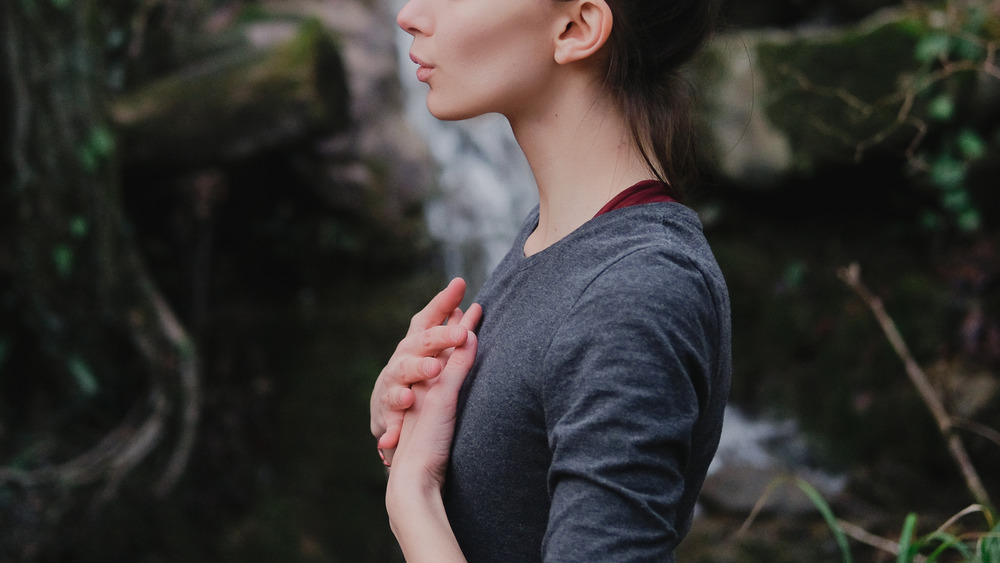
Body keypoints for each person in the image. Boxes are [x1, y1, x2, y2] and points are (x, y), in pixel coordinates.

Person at [369, 0, 732, 558]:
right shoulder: (555, 238)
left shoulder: (632, 294)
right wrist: (413, 424)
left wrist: (412, 501)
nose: (410, 14)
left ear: (576, 27)